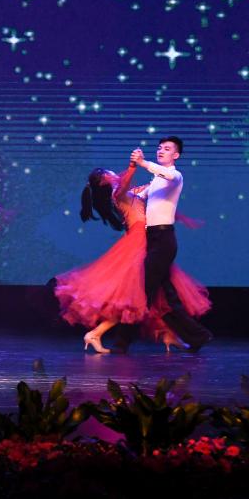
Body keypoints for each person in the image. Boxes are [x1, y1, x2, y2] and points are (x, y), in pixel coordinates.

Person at [55, 163, 211, 353]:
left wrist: (162, 173)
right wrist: (132, 166)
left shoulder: (129, 193)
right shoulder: (117, 194)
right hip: (138, 242)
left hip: (147, 238)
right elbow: (124, 183)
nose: (115, 174)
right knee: (139, 294)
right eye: (110, 174)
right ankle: (97, 333)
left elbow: (150, 188)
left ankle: (167, 334)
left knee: (158, 292)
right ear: (104, 181)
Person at [110, 137, 213, 353]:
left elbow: (166, 174)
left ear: (176, 155)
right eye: (159, 148)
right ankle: (198, 336)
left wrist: (143, 163)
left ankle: (122, 342)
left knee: (142, 291)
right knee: (167, 297)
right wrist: (122, 179)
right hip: (153, 240)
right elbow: (132, 196)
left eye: (166, 149)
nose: (161, 151)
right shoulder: (156, 181)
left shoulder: (175, 176)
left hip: (164, 241)